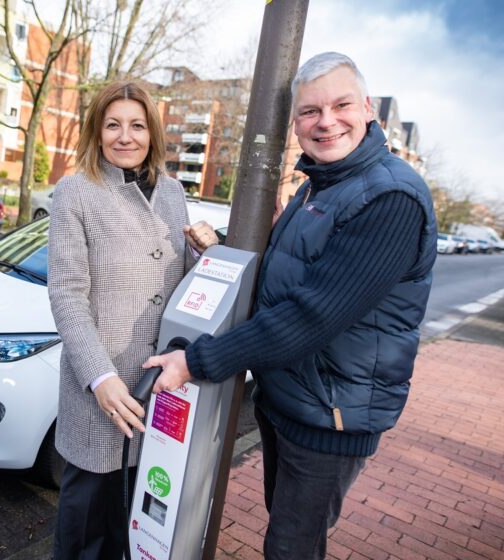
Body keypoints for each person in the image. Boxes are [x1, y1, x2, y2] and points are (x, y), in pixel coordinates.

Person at [144, 52, 437, 559]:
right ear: (296, 123)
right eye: (310, 111)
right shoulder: (316, 188)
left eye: (341, 105)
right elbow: (282, 275)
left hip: (330, 415)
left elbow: (313, 314)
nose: (326, 122)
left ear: (368, 110)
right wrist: (220, 252)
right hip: (291, 400)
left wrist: (196, 360)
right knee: (285, 535)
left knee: (290, 548)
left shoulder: (390, 196)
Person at [48, 81, 217, 559]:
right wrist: (98, 378)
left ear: (153, 133)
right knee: (87, 528)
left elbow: (182, 281)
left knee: (137, 522)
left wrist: (206, 253)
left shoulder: (171, 192)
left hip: (160, 384)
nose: (126, 136)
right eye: (113, 125)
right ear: (97, 132)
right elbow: (66, 293)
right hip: (104, 389)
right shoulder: (76, 191)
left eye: (137, 125)